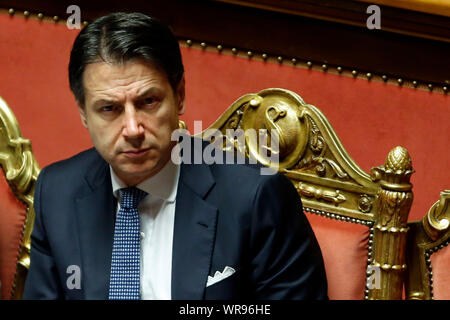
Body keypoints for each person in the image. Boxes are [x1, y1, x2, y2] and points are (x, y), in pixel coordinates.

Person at [23, 12, 327, 300]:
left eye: (148, 101)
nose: (132, 129)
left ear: (179, 95)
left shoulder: (256, 198)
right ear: (83, 113)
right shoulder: (58, 191)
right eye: (109, 109)